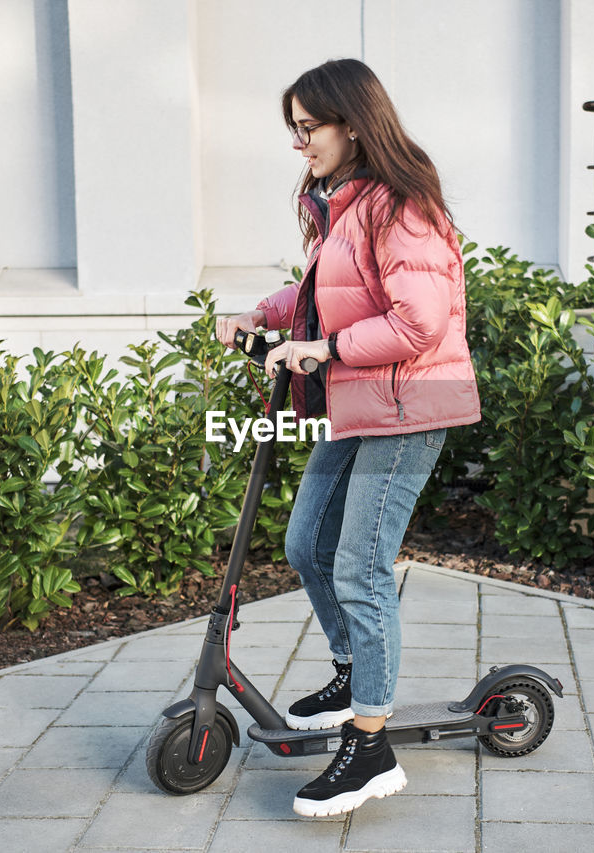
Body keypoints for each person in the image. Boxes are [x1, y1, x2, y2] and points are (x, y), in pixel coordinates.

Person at [214, 58, 480, 817]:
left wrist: (324, 351)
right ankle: (350, 669)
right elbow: (319, 292)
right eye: (292, 130)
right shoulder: (344, 201)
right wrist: (261, 317)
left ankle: (370, 746)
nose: (299, 143)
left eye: (309, 128)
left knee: (361, 566)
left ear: (353, 123)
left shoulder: (401, 204)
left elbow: (419, 321)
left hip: (411, 407)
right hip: (361, 404)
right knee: (305, 544)